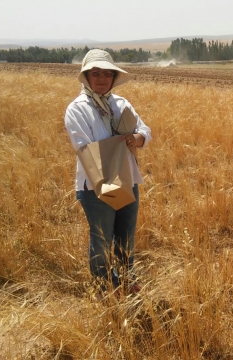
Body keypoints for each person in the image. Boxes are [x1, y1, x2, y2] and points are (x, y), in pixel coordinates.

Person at [64, 49, 152, 297]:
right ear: (87, 77)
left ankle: (126, 279)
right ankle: (104, 286)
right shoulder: (77, 109)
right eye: (95, 73)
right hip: (97, 185)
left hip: (127, 179)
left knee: (126, 234)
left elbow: (144, 129)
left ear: (113, 77)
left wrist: (136, 137)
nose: (101, 78)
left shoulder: (121, 104)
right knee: (102, 239)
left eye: (106, 73)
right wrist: (119, 143)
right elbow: (84, 147)